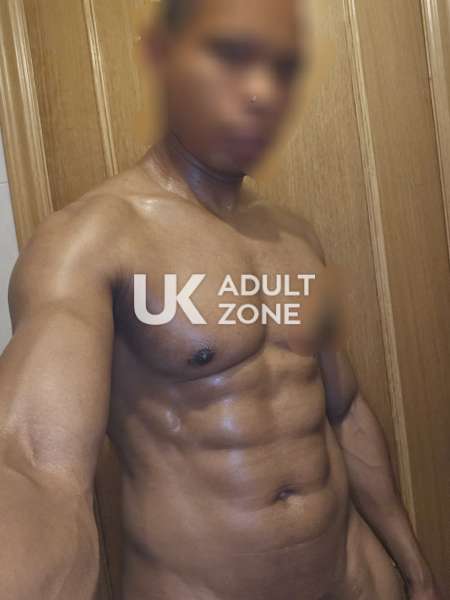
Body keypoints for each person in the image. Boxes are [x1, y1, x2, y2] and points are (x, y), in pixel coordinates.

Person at [0, 0, 442, 598]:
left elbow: (344, 408)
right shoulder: (91, 240)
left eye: (283, 68)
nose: (261, 92)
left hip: (352, 577)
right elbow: (33, 462)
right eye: (230, 56)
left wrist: (414, 567)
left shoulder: (296, 237)